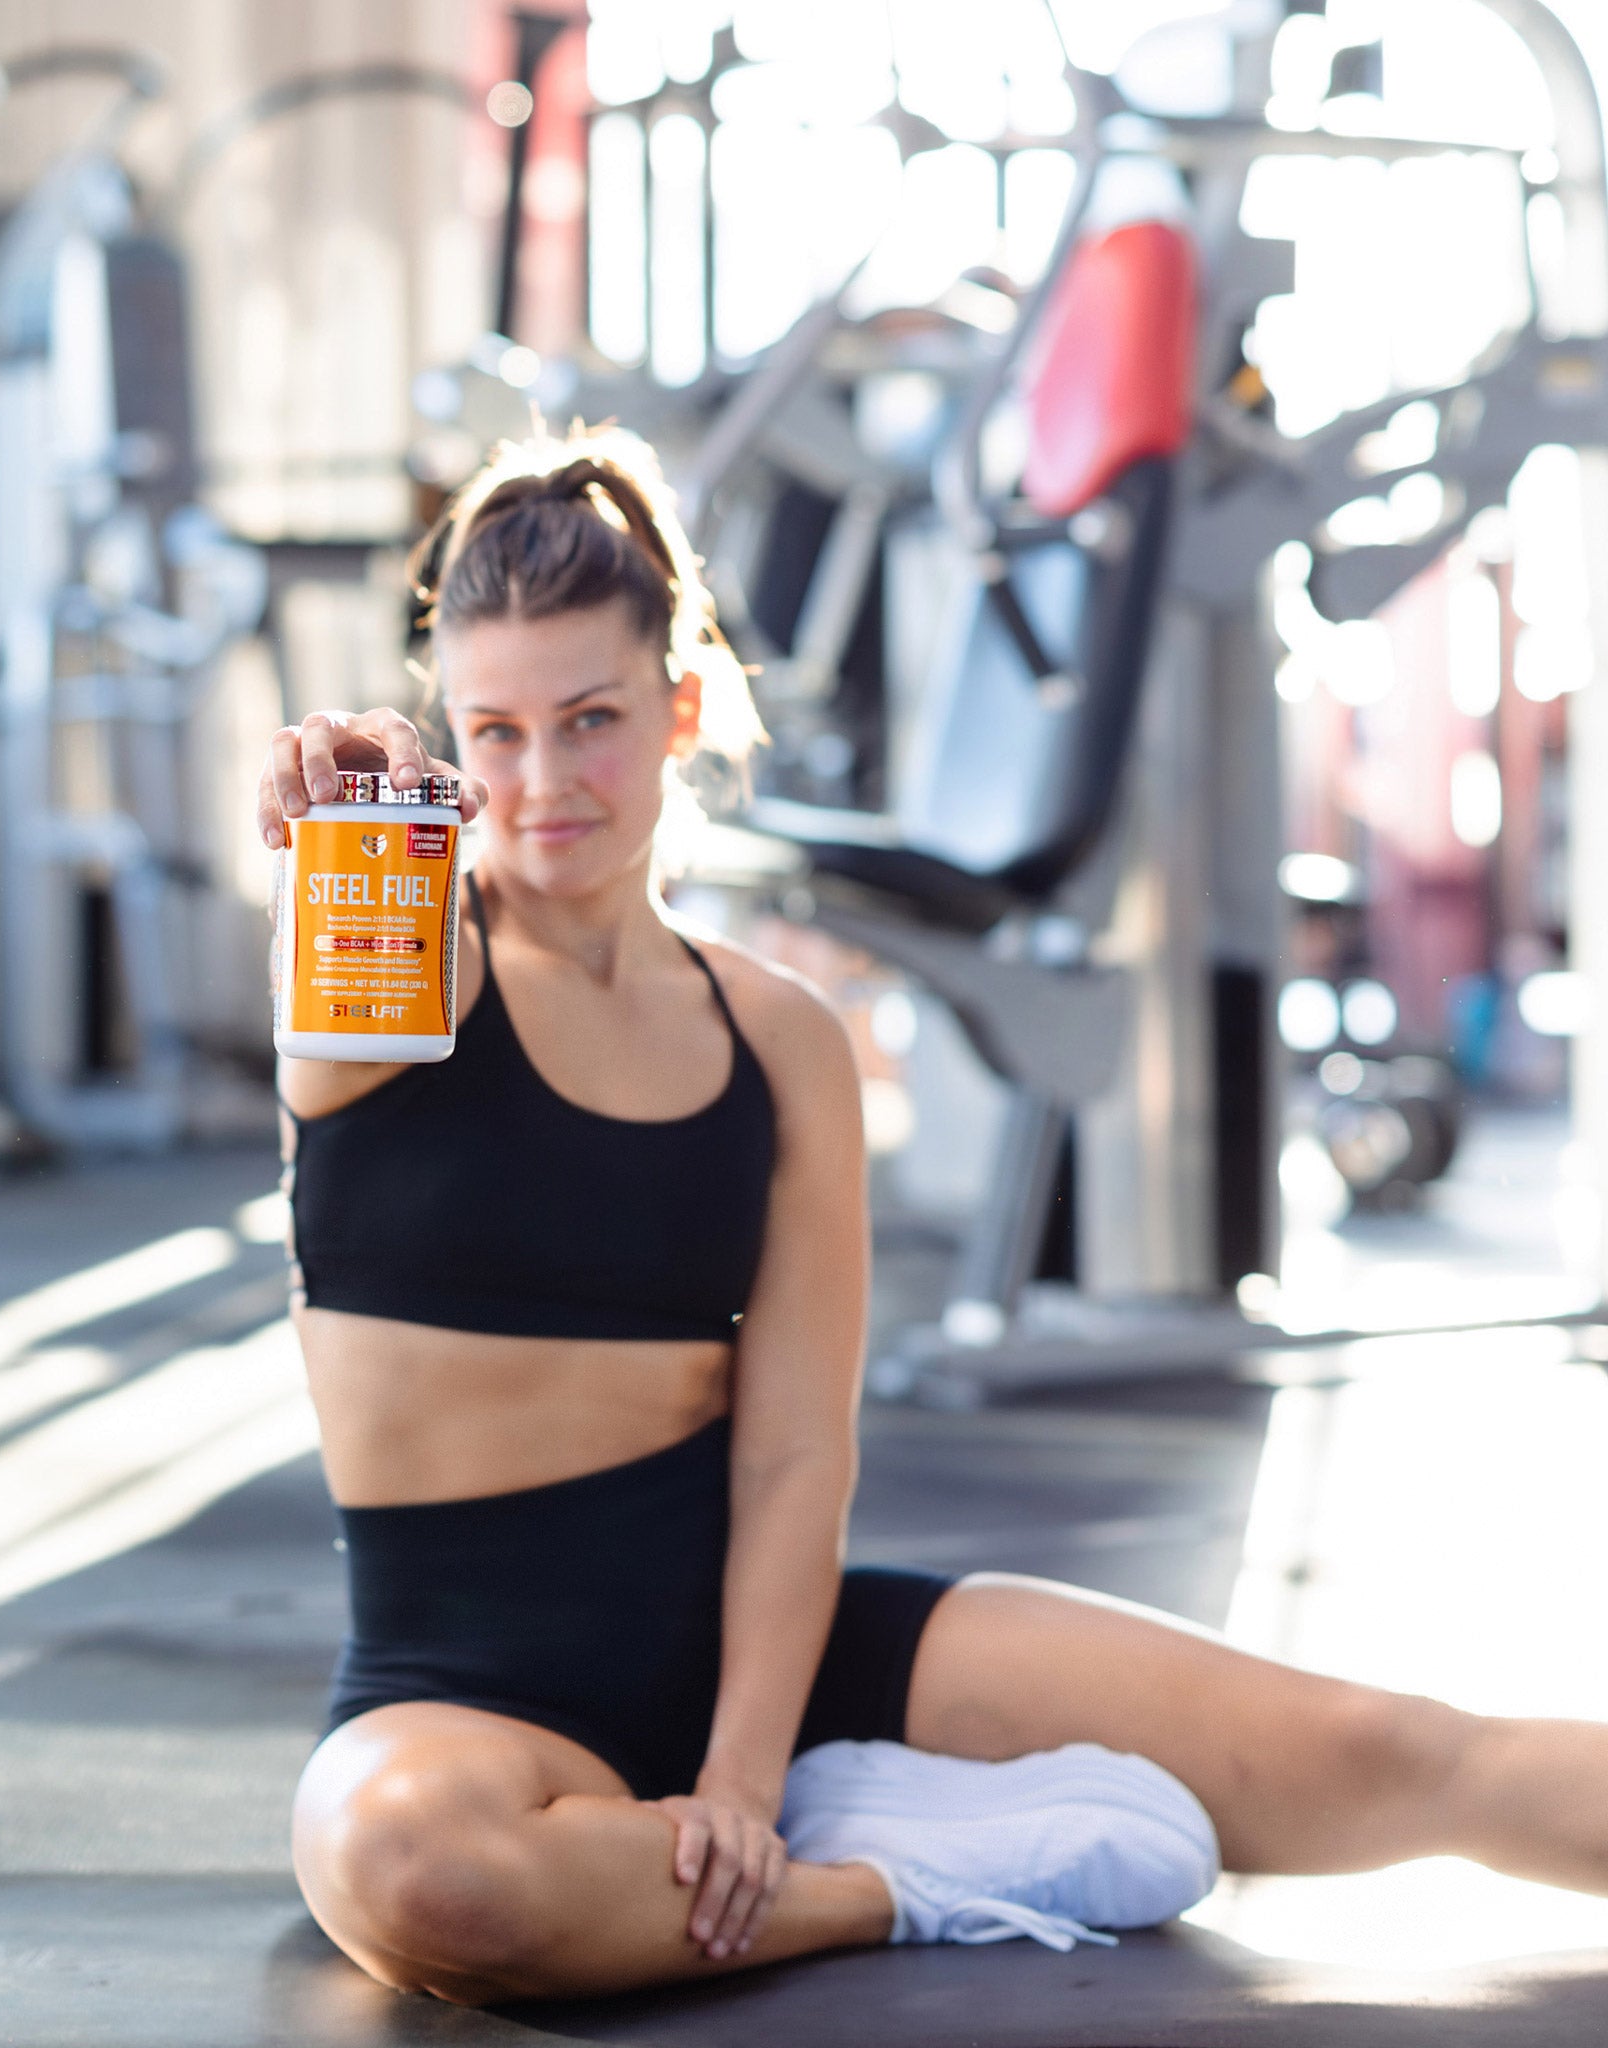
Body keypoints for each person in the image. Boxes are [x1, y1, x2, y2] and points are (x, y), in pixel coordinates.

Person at [260, 427, 1608, 2008]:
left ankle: (770, 1839)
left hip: (787, 1661)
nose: (541, 782)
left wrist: (746, 1782)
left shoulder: (779, 1041)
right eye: (491, 731)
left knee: (1387, 1750)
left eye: (593, 721)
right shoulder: (416, 966)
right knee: (421, 1878)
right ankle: (906, 1883)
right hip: (469, 1696)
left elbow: (791, 1451)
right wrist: (326, 843)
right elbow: (329, 1015)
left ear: (682, 708)